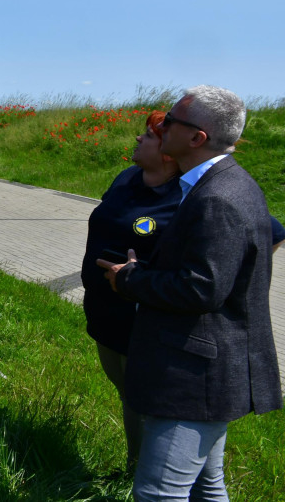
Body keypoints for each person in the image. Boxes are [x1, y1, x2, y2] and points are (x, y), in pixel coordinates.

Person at [98, 86, 282, 501]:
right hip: (207, 370)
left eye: (171, 121)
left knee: (158, 493)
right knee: (206, 486)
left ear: (197, 137)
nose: (160, 125)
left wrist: (129, 279)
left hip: (195, 377)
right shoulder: (217, 184)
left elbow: (202, 289)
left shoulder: (217, 197)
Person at [81, 111, 180, 470]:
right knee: (127, 394)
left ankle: (144, 473)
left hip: (145, 320)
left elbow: (271, 233)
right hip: (106, 313)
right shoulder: (127, 178)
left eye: (148, 137)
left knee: (145, 399)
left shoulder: (189, 195)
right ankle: (138, 466)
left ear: (168, 151)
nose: (138, 139)